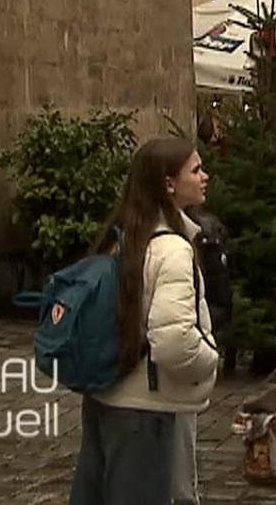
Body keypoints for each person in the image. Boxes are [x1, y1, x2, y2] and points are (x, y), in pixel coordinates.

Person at [65, 138, 219, 505]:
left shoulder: (120, 239)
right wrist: (210, 359)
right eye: (195, 170)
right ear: (168, 184)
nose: (205, 176)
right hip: (147, 407)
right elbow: (175, 340)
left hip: (106, 395)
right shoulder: (172, 249)